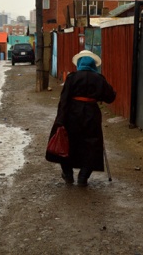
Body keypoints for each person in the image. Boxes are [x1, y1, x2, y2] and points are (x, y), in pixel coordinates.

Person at [46, 50, 116, 187]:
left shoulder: (72, 77)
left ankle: (68, 174)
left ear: (79, 63)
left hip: (72, 113)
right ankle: (83, 176)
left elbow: (64, 99)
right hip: (91, 114)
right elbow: (110, 97)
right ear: (93, 64)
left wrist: (60, 119)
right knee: (91, 144)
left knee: (67, 142)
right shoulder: (99, 78)